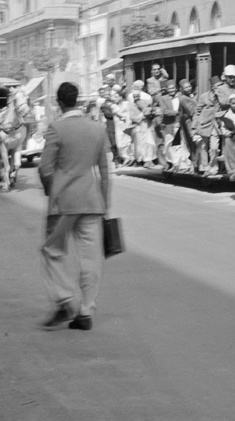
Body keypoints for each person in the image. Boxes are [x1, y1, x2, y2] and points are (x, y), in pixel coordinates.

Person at [38, 82, 110, 331]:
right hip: (92, 201)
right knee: (91, 258)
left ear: (59, 102)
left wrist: (51, 191)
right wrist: (105, 203)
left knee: (53, 251)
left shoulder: (56, 129)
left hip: (63, 203)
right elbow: (104, 170)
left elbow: (45, 168)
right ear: (77, 100)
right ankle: (85, 311)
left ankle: (65, 298)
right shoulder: (97, 129)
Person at [126, 80, 155, 167]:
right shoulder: (131, 105)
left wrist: (147, 113)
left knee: (149, 142)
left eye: (137, 96)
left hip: (146, 125)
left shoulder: (145, 101)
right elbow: (132, 117)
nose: (136, 98)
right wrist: (142, 116)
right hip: (138, 126)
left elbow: (149, 109)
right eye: (134, 96)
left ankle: (149, 159)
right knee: (139, 143)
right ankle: (142, 159)